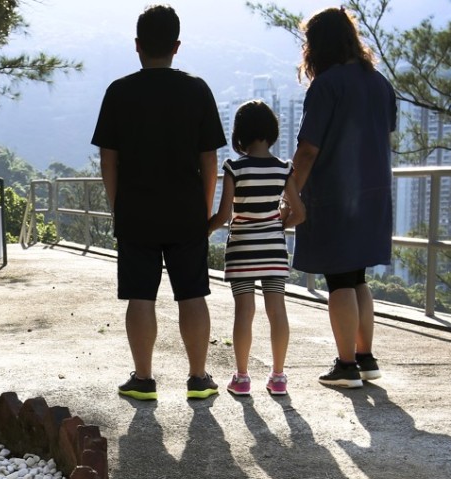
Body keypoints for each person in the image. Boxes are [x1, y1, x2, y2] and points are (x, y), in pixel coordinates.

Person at [92, 4, 226, 400]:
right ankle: (199, 379)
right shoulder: (197, 89)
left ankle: (144, 379)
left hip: (136, 209)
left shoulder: (119, 91)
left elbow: (108, 158)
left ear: (137, 45)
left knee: (140, 295)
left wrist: (119, 205)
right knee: (192, 294)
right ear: (176, 46)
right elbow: (210, 159)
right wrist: (203, 209)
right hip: (186, 210)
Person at [290, 7, 396, 389]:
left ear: (318, 45)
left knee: (339, 281)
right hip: (373, 195)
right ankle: (366, 359)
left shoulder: (327, 86)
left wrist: (293, 194)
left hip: (335, 194)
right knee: (358, 278)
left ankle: (346, 364)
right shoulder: (380, 83)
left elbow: (308, 150)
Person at [208, 100, 305, 397]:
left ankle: (242, 377)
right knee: (277, 311)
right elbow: (300, 212)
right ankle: (278, 377)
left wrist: (204, 229)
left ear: (240, 134)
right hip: (274, 249)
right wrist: (278, 225)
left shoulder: (234, 168)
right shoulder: (284, 168)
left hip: (241, 251)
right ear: (272, 132)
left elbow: (224, 216)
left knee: (244, 312)